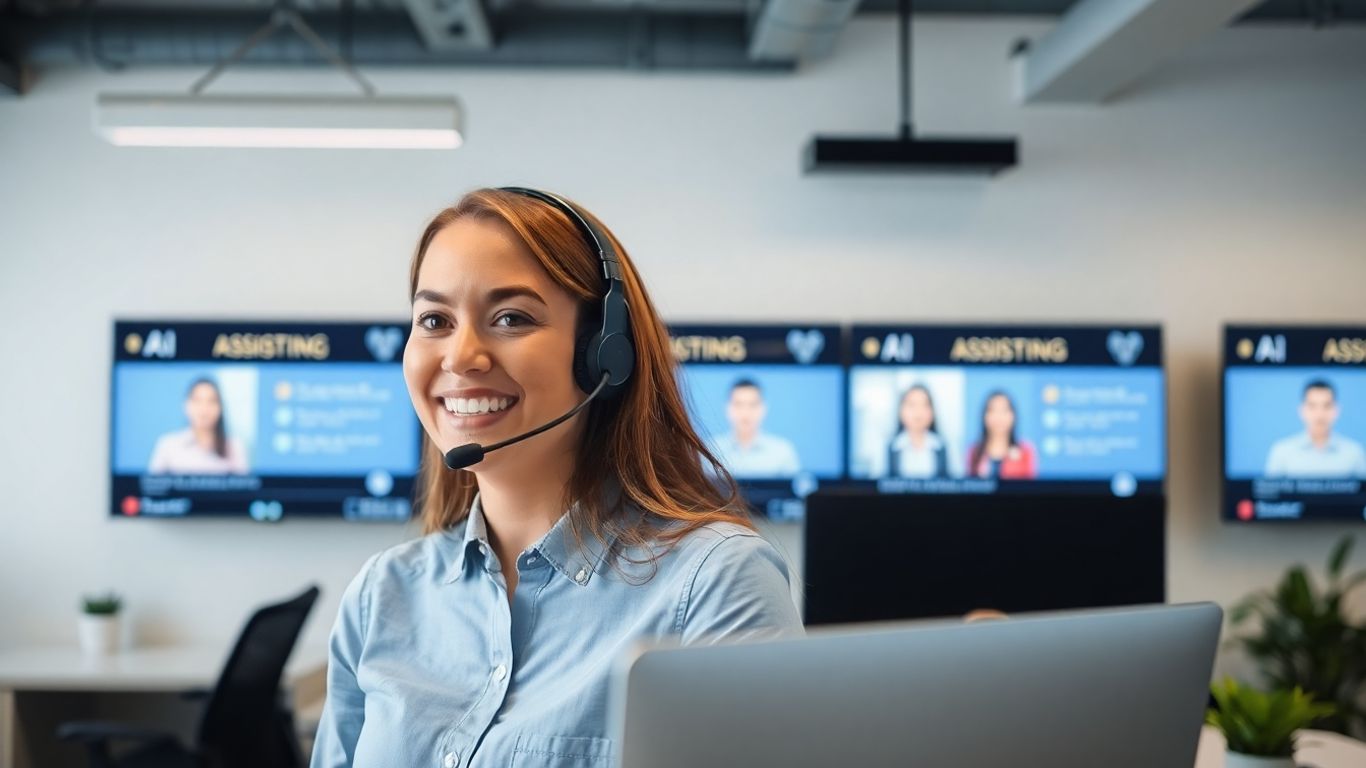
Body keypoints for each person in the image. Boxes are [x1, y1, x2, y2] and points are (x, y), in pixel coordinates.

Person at [311, 188, 802, 768]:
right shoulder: (382, 595)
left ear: (603, 352)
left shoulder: (715, 583)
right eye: (435, 320)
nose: (461, 355)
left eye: (511, 318)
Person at [1264, 379, 1366, 478]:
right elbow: (1268, 493)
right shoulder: (1282, 452)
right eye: (1312, 406)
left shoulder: (1354, 453)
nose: (1319, 414)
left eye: (1327, 406)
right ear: (1302, 410)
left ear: (1336, 410)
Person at [147, 376, 248, 474]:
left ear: (220, 408)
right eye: (197, 401)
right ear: (186, 405)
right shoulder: (168, 445)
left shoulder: (234, 447)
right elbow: (150, 486)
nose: (204, 409)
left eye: (211, 401)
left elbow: (246, 488)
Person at [708, 378, 802, 478]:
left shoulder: (783, 451)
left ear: (763, 408)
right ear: (728, 408)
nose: (745, 413)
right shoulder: (710, 450)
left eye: (753, 405)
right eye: (738, 404)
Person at [885, 384, 954, 479]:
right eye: (912, 405)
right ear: (901, 411)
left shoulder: (943, 447)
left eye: (924, 405)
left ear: (932, 412)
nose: (918, 411)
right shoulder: (890, 448)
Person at [965, 390, 1037, 480]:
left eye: (1004, 410)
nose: (999, 417)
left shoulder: (1025, 451)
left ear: (1013, 416)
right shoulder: (974, 452)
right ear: (984, 416)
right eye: (993, 410)